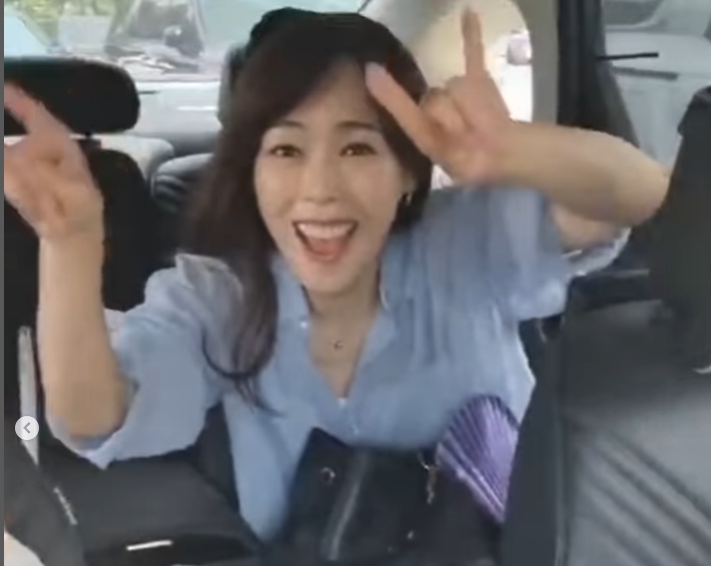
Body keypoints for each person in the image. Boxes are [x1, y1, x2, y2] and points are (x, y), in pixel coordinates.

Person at [3, 9, 669, 542]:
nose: (319, 189)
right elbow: (91, 415)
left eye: (357, 147)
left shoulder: (464, 242)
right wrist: (69, 242)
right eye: (286, 150)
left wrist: (522, 151)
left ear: (408, 173)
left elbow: (638, 197)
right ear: (252, 172)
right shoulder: (217, 298)